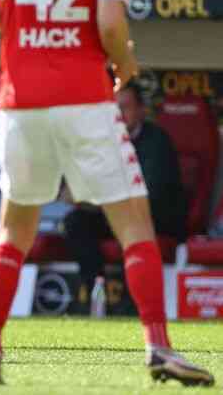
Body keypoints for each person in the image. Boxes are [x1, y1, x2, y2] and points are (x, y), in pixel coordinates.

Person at [0, 0, 213, 386]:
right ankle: (158, 347)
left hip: (19, 99)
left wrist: (22, 32)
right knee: (134, 223)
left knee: (14, 229)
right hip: (83, 97)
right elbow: (109, 20)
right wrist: (124, 64)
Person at [64, 82, 187, 307]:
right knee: (75, 222)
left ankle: (131, 304)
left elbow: (149, 193)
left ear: (141, 110)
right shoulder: (101, 140)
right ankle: (95, 292)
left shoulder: (156, 140)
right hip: (114, 212)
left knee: (130, 226)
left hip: (154, 217)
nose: (118, 115)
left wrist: (100, 197)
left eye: (124, 108)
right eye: (113, 109)